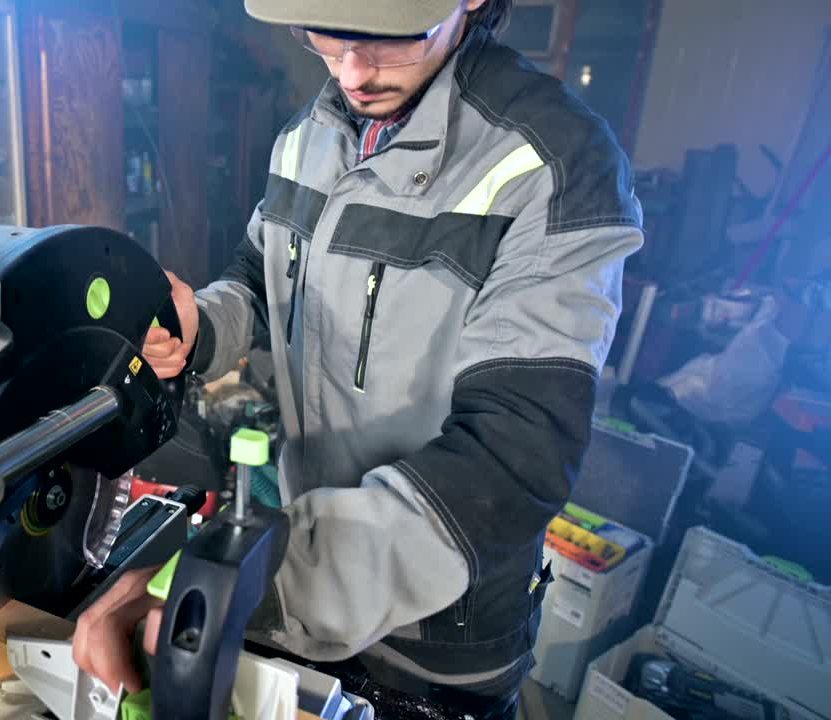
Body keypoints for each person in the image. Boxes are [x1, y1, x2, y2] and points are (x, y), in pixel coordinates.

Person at [74, 0, 643, 716]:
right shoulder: (308, 136)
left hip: (431, 650)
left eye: (384, 35)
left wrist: (241, 583)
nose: (352, 70)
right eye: (326, 35)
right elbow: (261, 278)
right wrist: (201, 327)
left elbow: (513, 458)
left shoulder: (557, 164)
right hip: (300, 585)